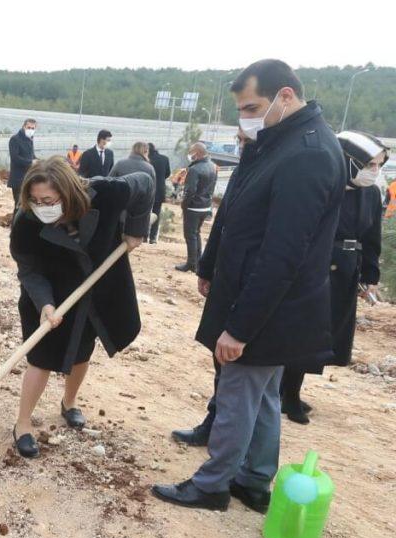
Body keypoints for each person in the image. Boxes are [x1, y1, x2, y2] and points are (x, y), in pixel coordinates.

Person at [153, 59, 346, 513]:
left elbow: (283, 254)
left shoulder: (309, 153)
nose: (247, 117)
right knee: (262, 396)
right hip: (252, 294)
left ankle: (213, 484)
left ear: (285, 95)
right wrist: (212, 265)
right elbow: (239, 211)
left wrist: (240, 328)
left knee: (239, 392)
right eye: (242, 109)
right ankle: (255, 479)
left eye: (253, 106)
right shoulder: (280, 141)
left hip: (270, 307)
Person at [10, 158, 153, 456]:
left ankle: (69, 403)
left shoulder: (107, 192)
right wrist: (46, 304)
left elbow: (146, 182)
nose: (41, 206)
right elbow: (29, 271)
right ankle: (23, 424)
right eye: (35, 200)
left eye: (48, 200)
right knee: (41, 356)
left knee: (82, 350)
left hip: (96, 290)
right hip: (53, 294)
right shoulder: (26, 222)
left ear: (68, 192)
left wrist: (136, 229)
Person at [278, 131, 386, 424]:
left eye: (378, 165)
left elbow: (372, 236)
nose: (374, 172)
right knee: (303, 330)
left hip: (347, 269)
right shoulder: (322, 188)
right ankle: (286, 394)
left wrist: (369, 273)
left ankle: (291, 389)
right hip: (315, 267)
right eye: (369, 165)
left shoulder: (371, 193)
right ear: (349, 161)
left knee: (326, 334)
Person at [174, 143, 217, 272]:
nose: (190, 154)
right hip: (205, 206)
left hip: (193, 207)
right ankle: (198, 261)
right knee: (196, 233)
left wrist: (184, 205)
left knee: (190, 235)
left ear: (197, 153)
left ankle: (191, 263)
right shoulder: (213, 166)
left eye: (191, 152)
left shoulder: (195, 169)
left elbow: (190, 191)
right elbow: (212, 187)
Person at [7, 119, 37, 207]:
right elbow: (15, 158)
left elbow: (32, 156)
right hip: (18, 179)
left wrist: (39, 161)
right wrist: (30, 163)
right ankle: (15, 221)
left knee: (27, 206)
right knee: (19, 205)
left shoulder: (30, 140)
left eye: (33, 128)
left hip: (28, 178)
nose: (30, 130)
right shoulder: (15, 139)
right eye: (29, 127)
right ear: (24, 127)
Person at [146, 142, 171, 243]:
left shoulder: (147, 160)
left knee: (145, 213)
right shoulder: (164, 159)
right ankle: (152, 238)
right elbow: (168, 173)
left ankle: (144, 236)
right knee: (156, 213)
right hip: (159, 190)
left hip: (148, 189)